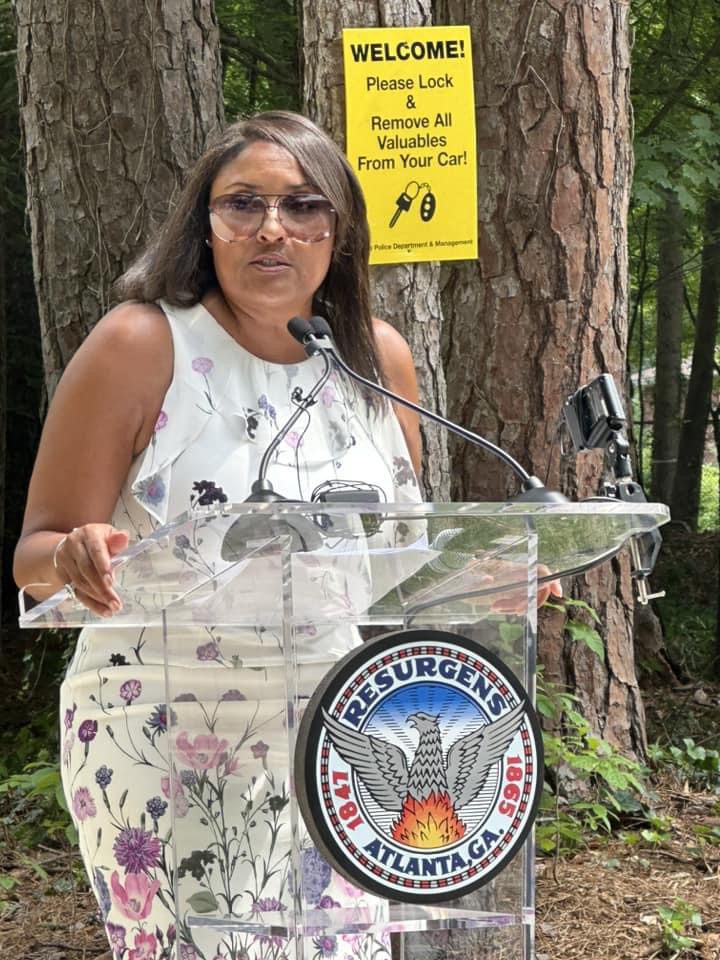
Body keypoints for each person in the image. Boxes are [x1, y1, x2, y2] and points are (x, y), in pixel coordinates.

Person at [14, 111, 425, 960]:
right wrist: (70, 555)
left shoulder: (374, 359)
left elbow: (407, 556)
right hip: (162, 725)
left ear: (339, 232)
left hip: (337, 732)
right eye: (244, 204)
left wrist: (505, 578)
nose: (273, 228)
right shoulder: (141, 343)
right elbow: (36, 550)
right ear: (205, 225)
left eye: (304, 205)